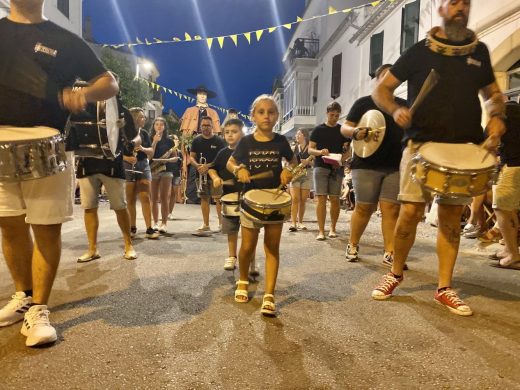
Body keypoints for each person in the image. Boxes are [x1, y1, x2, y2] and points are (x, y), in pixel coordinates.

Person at [371, 0, 506, 316]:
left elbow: (493, 95)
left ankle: (444, 287)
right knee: (409, 215)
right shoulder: (419, 51)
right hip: (420, 146)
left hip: (463, 150)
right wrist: (395, 109)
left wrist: (497, 118)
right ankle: (395, 273)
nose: (461, 7)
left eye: (466, 3)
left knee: (450, 220)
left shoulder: (480, 52)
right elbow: (382, 90)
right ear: (440, 9)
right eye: (454, 2)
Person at [0, 0, 119, 347]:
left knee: (45, 230)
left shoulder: (64, 39)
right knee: (9, 226)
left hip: (45, 143)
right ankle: (22, 296)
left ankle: (39, 308)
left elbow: (109, 83)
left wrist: (84, 94)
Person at [227, 94, 297, 316]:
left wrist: (288, 171)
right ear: (253, 117)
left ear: (277, 116)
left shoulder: (281, 141)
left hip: (275, 201)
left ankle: (269, 295)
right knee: (247, 247)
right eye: (261, 112)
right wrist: (239, 170)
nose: (267, 116)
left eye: (271, 112)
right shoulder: (246, 142)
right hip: (251, 201)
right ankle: (243, 280)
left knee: (272, 248)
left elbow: (293, 162)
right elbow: (231, 162)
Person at [341, 64, 404, 266]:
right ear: (377, 80)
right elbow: (345, 127)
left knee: (391, 210)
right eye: (385, 76)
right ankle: (352, 244)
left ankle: (390, 252)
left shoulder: (403, 104)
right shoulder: (363, 103)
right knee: (364, 208)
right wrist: (354, 133)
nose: (390, 81)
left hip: (395, 164)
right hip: (366, 164)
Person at [75, 80, 137, 263]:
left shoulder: (120, 108)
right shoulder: (83, 106)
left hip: (112, 163)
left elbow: (134, 135)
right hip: (87, 162)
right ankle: (92, 248)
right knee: (89, 207)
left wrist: (128, 136)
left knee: (120, 206)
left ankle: (128, 245)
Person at [309, 102, 351, 240]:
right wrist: (320, 152)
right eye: (332, 115)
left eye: (337, 115)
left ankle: (332, 228)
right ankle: (321, 231)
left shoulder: (342, 130)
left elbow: (349, 151)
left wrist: (341, 160)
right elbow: (310, 149)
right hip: (320, 166)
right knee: (321, 198)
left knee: (334, 199)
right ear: (327, 114)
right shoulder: (318, 130)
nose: (334, 118)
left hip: (336, 168)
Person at [490, 100, 520, 270]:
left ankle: (514, 256)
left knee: (502, 209)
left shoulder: (504, 110)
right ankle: (509, 249)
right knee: (508, 209)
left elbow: (494, 138)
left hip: (512, 166)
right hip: (515, 165)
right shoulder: (513, 110)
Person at [179, 85, 221, 204]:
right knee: (193, 168)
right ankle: (192, 196)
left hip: (209, 141)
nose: (202, 96)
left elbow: (217, 131)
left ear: (206, 96)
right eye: (200, 93)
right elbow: (184, 131)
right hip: (194, 141)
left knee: (210, 167)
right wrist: (185, 143)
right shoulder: (189, 110)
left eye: (204, 94)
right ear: (196, 95)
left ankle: (213, 196)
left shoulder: (213, 112)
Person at [124, 108, 159, 239]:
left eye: (144, 117)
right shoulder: (124, 133)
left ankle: (149, 228)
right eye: (141, 117)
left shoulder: (143, 133)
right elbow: (115, 152)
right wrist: (126, 158)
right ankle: (132, 227)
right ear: (134, 118)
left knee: (145, 196)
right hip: (128, 165)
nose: (144, 119)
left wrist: (143, 148)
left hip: (143, 164)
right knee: (131, 198)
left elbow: (151, 152)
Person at [189, 116, 226, 233]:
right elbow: (191, 157)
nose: (205, 127)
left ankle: (221, 224)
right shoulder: (196, 140)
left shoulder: (219, 141)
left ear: (212, 126)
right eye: (203, 125)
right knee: (204, 199)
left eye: (208, 125)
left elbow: (222, 159)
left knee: (219, 199)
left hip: (216, 175)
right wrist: (198, 166)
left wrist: (207, 166)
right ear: (200, 126)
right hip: (200, 174)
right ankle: (206, 224)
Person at [149, 117, 179, 234]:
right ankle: (155, 223)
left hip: (167, 170)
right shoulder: (150, 139)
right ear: (153, 126)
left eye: (162, 124)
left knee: (164, 198)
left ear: (165, 127)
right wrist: (155, 141)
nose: (159, 126)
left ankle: (164, 223)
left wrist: (167, 160)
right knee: (154, 198)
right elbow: (149, 155)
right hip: (153, 170)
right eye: (157, 124)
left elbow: (175, 157)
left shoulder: (169, 141)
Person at [288, 128, 313, 232]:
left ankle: (300, 222)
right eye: (297, 134)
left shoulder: (311, 148)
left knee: (303, 200)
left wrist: (308, 163)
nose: (297, 136)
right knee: (295, 199)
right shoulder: (294, 148)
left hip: (307, 174)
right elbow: (289, 161)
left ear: (305, 135)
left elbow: (315, 163)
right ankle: (293, 222)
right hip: (295, 174)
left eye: (299, 134)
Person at [168, 134, 183, 220]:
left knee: (173, 194)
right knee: (167, 194)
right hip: (167, 173)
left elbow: (180, 164)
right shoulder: (168, 150)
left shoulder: (179, 152)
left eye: (177, 139)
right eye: (176, 139)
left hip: (176, 174)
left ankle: (170, 212)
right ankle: (164, 212)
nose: (178, 141)